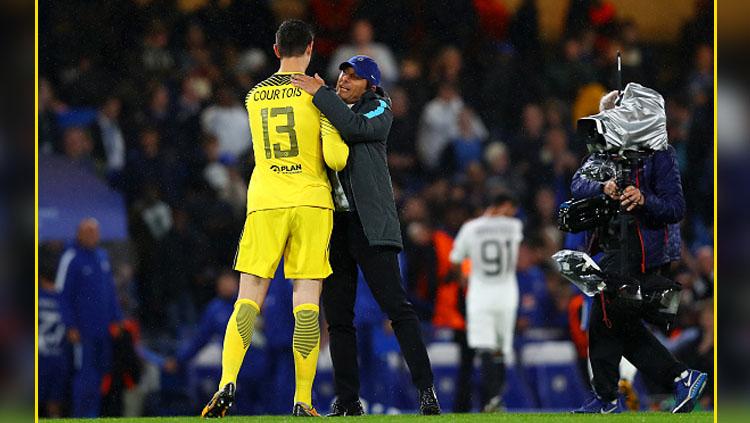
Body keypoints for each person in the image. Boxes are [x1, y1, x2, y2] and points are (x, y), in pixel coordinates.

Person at [200, 19, 349, 418]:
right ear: (311, 49)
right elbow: (337, 158)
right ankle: (303, 400)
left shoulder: (254, 96)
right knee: (306, 302)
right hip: (311, 202)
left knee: (248, 296)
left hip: (265, 199)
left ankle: (227, 380)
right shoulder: (319, 95)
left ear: (276, 49)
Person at [291, 56, 441, 415]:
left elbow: (355, 128)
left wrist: (321, 94)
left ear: (370, 85)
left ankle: (426, 390)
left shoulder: (379, 110)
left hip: (371, 225)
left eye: (354, 76)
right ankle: (347, 401)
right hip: (336, 227)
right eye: (343, 73)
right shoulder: (327, 111)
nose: (343, 79)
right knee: (339, 317)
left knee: (398, 309)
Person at [571, 91, 708, 414]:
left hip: (643, 249)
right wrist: (602, 187)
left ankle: (607, 397)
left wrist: (644, 199)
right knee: (616, 322)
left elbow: (675, 207)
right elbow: (578, 183)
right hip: (611, 245)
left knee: (607, 314)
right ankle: (681, 376)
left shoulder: (660, 154)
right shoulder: (605, 152)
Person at [448, 193, 523, 412]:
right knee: (499, 348)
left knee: (487, 347)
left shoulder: (470, 228)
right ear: (501, 206)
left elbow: (455, 260)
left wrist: (462, 278)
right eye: (510, 209)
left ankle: (492, 399)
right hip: (507, 293)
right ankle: (495, 398)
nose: (512, 214)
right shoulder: (514, 227)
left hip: (480, 293)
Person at [56, 218, 123, 417]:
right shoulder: (71, 258)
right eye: (89, 232)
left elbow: (110, 291)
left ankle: (93, 414)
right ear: (79, 234)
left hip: (103, 329)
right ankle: (81, 415)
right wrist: (70, 326)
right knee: (84, 375)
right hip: (82, 330)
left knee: (100, 373)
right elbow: (63, 295)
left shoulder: (102, 256)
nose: (94, 236)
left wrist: (117, 318)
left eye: (96, 232)